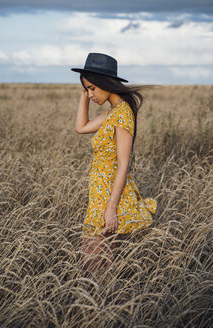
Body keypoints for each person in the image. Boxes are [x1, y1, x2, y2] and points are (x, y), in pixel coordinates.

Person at [71, 53, 157, 277]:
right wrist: (83, 91)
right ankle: (109, 307)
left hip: (108, 197)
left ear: (105, 83)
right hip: (100, 195)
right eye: (87, 89)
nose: (90, 95)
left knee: (93, 264)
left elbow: (124, 164)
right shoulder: (113, 114)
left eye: (93, 88)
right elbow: (81, 127)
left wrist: (110, 207)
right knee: (99, 264)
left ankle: (110, 307)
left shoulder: (122, 115)